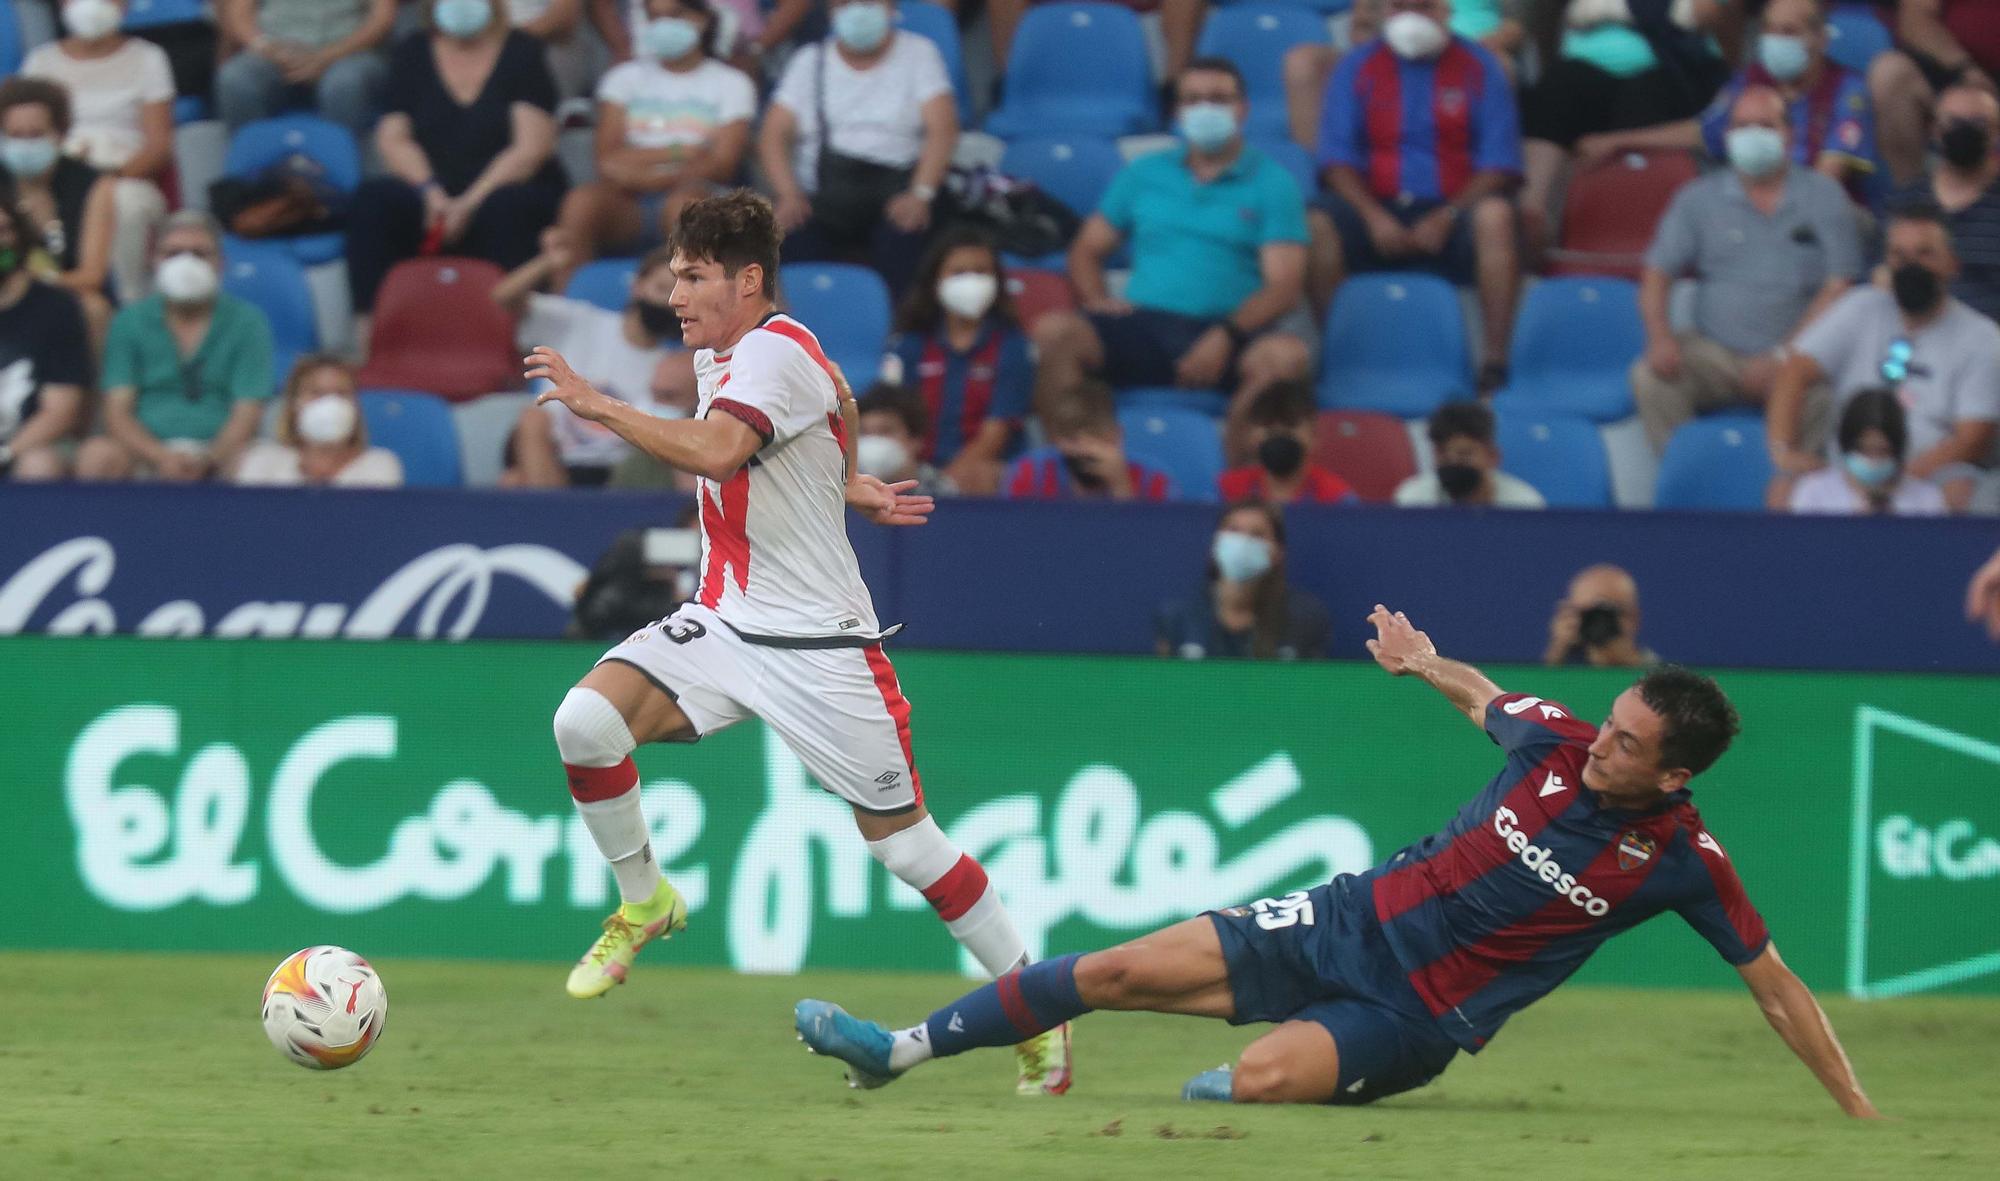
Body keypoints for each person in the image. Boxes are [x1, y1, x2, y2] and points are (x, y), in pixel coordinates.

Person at [794, 609, 1881, 1120]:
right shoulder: (1551, 736)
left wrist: (1853, 1107)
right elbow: (1479, 691)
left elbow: (1773, 983)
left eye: (1628, 744)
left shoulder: (1683, 860)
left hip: (1413, 1017)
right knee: (1113, 970)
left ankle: (1267, 1064)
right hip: (1343, 919)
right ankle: (895, 1050)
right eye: (1609, 722)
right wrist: (1419, 663)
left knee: (1254, 1085)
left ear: (1674, 773)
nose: (1601, 742)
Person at [527, 189, 1073, 1096]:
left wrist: (598, 405)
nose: (676, 297)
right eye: (672, 277)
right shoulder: (735, 350)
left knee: (910, 848)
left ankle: (1036, 1010)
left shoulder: (773, 352)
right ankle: (645, 899)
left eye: (694, 277)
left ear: (748, 279)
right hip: (724, 619)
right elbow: (843, 401)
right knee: (584, 721)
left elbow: (713, 453)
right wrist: (846, 479)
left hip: (821, 645)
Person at [1032, 59, 1311, 421]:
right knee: (1054, 331)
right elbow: (1085, 250)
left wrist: (1225, 336)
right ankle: (1066, 468)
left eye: (1219, 99)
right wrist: (1097, 299)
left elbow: (1284, 288)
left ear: (1243, 109)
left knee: (1285, 358)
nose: (1205, 109)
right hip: (1144, 324)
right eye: (1193, 100)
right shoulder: (1144, 173)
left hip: (1230, 329)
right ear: (1178, 111)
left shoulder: (1274, 183)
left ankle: (1233, 475)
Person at [1630, 85, 1862, 454]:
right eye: (1742, 126)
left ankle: (1793, 495)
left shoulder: (1825, 195)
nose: (1752, 136)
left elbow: (1840, 285)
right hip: (1713, 353)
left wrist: (1786, 355)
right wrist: (1660, 337)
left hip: (1797, 355)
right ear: (1727, 136)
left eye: (1765, 126)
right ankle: (1692, 485)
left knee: (1824, 397)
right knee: (1650, 378)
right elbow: (1657, 273)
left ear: (1789, 134)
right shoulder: (1697, 198)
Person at [1310, 0, 1522, 388]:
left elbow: (1498, 165)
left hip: (1454, 214)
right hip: (1375, 211)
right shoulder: (1356, 66)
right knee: (1317, 222)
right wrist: (1374, 217)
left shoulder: (1480, 67)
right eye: (1400, 7)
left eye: (1422, 7)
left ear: (1445, 11)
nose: (1411, 17)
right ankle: (1339, 353)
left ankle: (1495, 362)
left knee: (1497, 217)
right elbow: (1335, 161)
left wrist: (1449, 215)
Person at [345, 0, 565, 343]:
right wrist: (432, 194)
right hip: (432, 189)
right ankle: (372, 337)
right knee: (373, 202)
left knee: (510, 208)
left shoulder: (522, 50)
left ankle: (511, 340)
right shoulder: (413, 51)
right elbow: (393, 138)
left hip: (500, 186)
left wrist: (469, 203)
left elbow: (529, 149)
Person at [1767, 203, 2000, 512]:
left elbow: (1973, 440)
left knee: (1961, 490)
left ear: (1952, 264)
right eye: (1899, 256)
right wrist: (1784, 450)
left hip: (1929, 474)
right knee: (1782, 489)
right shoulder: (1861, 307)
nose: (1910, 266)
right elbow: (1793, 370)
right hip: (1849, 465)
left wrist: (1902, 479)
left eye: (1924, 254)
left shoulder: (1980, 336)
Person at [1581, 0, 1878, 204]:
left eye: (1788, 32)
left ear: (1820, 39)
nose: (1775, 40)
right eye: (1768, 30)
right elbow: (1704, 130)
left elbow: (1828, 181)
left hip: (1819, 216)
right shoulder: (1752, 78)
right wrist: (1619, 141)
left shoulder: (1847, 89)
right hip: (1748, 210)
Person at [547, 0, 756, 285]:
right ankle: (568, 305)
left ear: (702, 19)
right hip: (628, 204)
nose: (662, 25)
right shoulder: (623, 79)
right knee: (580, 203)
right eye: (654, 17)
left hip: (696, 194)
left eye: (674, 15)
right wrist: (681, 151)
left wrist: (638, 168)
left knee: (686, 207)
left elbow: (721, 164)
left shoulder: (731, 83)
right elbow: (607, 162)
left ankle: (692, 313)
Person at [759, 0, 958, 298]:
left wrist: (921, 194)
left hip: (900, 189)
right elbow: (773, 134)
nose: (858, 9)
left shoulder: (919, 54)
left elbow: (943, 129)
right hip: (823, 199)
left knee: (907, 235)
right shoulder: (809, 61)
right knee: (786, 236)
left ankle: (898, 331)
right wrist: (788, 194)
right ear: (831, 12)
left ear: (891, 8)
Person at [1516, 0, 1733, 255]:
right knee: (1556, 92)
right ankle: (1533, 217)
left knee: (1647, 97)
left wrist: (1625, 8)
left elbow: (1707, 14)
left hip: (1668, 68)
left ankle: (1642, 238)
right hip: (1583, 66)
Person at [75, 211, 276, 482]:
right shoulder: (129, 321)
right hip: (144, 451)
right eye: (173, 253)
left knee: (261, 463)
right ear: (154, 261)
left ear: (221, 263)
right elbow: (117, 411)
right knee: (96, 455)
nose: (186, 263)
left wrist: (210, 458)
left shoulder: (248, 322)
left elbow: (247, 410)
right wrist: (161, 456)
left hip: (221, 453)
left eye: (199, 254)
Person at [494, 241, 693, 488]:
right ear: (637, 286)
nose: (666, 303)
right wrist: (547, 261)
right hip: (556, 456)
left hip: (624, 469)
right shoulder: (581, 321)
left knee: (514, 483)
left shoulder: (675, 367)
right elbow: (503, 297)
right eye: (661, 289)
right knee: (532, 421)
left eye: (676, 296)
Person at [21, 0, 173, 304]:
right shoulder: (41, 61)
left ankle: (129, 306)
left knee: (124, 203)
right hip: (56, 175)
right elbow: (27, 130)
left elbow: (158, 147)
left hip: (124, 176)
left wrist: (102, 180)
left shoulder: (148, 58)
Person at [886, 226, 1031, 497]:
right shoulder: (911, 345)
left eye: (981, 272)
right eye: (959, 272)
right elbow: (897, 416)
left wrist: (945, 483)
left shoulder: (1012, 347)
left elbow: (995, 434)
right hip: (920, 464)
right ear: (936, 281)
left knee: (982, 476)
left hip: (982, 469)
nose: (971, 281)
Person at [0, 78, 116, 342]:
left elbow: (92, 276)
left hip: (66, 292)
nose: (26, 144)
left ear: (60, 133)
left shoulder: (93, 185)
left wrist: (37, 282)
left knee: (94, 308)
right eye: (15, 135)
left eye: (36, 134)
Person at [1155, 502, 1331, 661]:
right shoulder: (1177, 617)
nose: (1243, 542)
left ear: (1278, 553)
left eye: (1257, 534)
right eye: (1233, 530)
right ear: (1215, 544)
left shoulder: (1305, 618)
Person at [1889, 82, 2000, 322]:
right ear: (1935, 131)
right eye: (1954, 123)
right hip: (1912, 337)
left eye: (1979, 124)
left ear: (1996, 133)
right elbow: (1877, 276)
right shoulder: (1904, 201)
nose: (1964, 131)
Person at [0, 198, 93, 482]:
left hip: (27, 445)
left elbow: (61, 410)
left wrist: (5, 453)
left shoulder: (56, 308)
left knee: (39, 463)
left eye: (4, 231)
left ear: (19, 236)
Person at [214, 0, 396, 140]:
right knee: (236, 79)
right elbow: (239, 15)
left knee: (345, 84)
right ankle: (252, 178)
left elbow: (382, 19)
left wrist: (327, 57)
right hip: (275, 51)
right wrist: (266, 47)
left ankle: (336, 176)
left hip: (349, 52)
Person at [1870, 0, 2000, 186]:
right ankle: (1911, 197)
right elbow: (1915, 21)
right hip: (1949, 71)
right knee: (1889, 73)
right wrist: (1965, 69)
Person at [231, 354, 404, 487]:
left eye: (341, 394)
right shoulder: (262, 462)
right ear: (294, 404)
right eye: (317, 393)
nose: (329, 404)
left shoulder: (379, 466)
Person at [1004, 380, 1176, 502]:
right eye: (1073, 440)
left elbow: (1155, 547)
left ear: (1118, 435)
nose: (1086, 450)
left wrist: (1121, 486)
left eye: (1098, 439)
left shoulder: (1154, 480)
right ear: (1057, 440)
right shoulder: (1030, 474)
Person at [1788, 387, 1947, 514]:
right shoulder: (1814, 493)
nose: (1873, 459)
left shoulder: (1927, 500)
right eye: (1864, 450)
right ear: (1847, 444)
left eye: (1882, 451)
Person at [1216, 380, 1355, 505]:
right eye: (1269, 429)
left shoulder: (1336, 498)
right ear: (1251, 437)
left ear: (1314, 436)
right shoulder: (1227, 490)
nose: (1279, 437)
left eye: (1290, 428)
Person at [1394, 400, 1545, 508]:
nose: (1453, 462)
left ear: (1493, 456)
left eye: (1464, 454)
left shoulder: (1524, 506)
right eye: (1442, 454)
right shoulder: (1413, 502)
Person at [1542, 563, 1656, 668]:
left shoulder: (1660, 676)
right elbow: (1542, 688)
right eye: (1586, 613)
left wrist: (1628, 663)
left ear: (1634, 617)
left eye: (1609, 612)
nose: (1598, 621)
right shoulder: (1566, 672)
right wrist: (1556, 655)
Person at [855, 381, 954, 496]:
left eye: (885, 431)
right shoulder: (841, 492)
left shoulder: (942, 492)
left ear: (916, 439)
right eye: (863, 432)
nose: (873, 441)